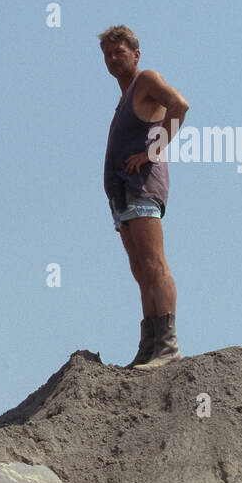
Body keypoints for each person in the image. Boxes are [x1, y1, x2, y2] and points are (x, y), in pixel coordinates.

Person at [99, 25, 189, 369]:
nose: (112, 59)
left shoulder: (146, 80)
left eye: (119, 52)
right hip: (122, 193)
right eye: (107, 54)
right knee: (140, 269)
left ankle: (167, 347)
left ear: (136, 54)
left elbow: (180, 105)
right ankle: (150, 345)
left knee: (154, 264)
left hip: (141, 187)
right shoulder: (124, 99)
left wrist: (153, 152)